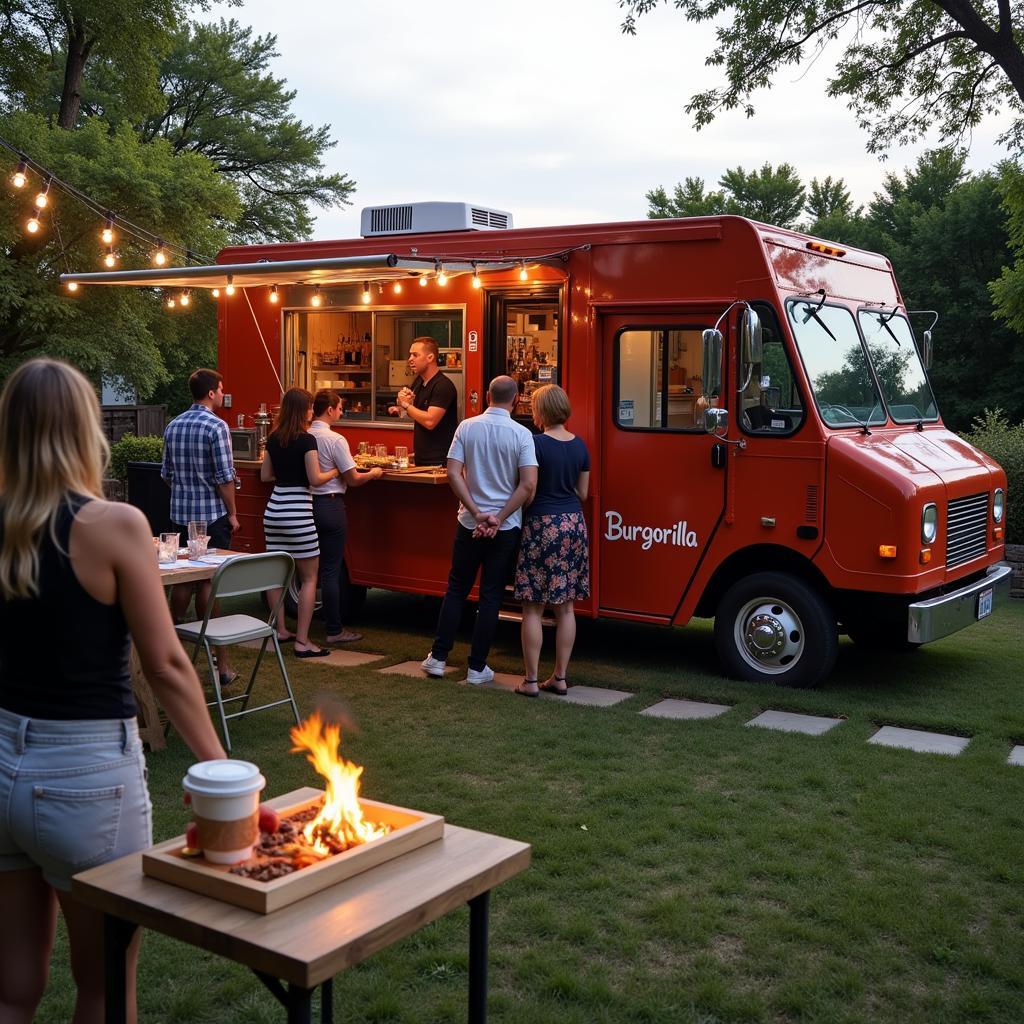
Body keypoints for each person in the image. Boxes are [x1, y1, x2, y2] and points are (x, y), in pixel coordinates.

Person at [0, 358, 227, 1024]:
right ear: (84, 430)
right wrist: (219, 765)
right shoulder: (114, 525)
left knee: (11, 991)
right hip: (86, 779)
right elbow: (166, 663)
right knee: (102, 988)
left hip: (4, 759)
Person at [421, 376, 538, 684]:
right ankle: (477, 667)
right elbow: (527, 484)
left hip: (469, 523)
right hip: (506, 526)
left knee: (457, 588)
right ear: (515, 400)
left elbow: (452, 472)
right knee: (491, 595)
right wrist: (498, 517)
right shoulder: (522, 435)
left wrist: (476, 512)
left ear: (487, 395)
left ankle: (438, 657)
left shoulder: (467, 427)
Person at [161, 367, 239, 686]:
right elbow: (224, 478)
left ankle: (175, 645)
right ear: (211, 393)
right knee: (210, 580)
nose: (223, 395)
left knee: (183, 578)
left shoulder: (174, 424)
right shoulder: (216, 426)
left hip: (180, 513)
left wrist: (185, 492)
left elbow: (166, 473)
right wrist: (233, 513)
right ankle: (221, 665)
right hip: (212, 515)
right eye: (221, 390)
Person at [511, 385, 590, 697]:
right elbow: (583, 493)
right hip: (573, 523)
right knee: (566, 607)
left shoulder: (535, 443)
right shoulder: (581, 445)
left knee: (532, 607)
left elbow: (527, 487)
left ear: (540, 411)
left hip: (542, 524)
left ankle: (531, 680)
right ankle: (560, 677)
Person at [260, 388, 340, 657]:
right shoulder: (306, 441)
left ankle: (281, 630)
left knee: (275, 576)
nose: (311, 411)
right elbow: (315, 478)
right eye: (309, 407)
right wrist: (336, 470)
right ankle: (303, 641)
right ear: (302, 410)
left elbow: (265, 475)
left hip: (274, 510)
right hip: (298, 513)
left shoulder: (273, 438)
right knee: (308, 578)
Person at [309, 389, 383, 644]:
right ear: (329, 410)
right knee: (330, 570)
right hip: (331, 505)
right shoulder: (335, 439)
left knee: (308, 570)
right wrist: (373, 473)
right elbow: (352, 478)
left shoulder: (303, 435)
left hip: (306, 507)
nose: (341, 412)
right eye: (340, 408)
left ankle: (301, 631)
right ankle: (334, 630)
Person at [388, 337, 458, 466]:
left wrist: (405, 405)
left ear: (430, 358)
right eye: (410, 355)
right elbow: (416, 412)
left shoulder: (443, 385)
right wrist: (401, 406)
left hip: (438, 461)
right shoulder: (418, 382)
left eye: (415, 355)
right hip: (421, 458)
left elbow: (430, 421)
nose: (410, 359)